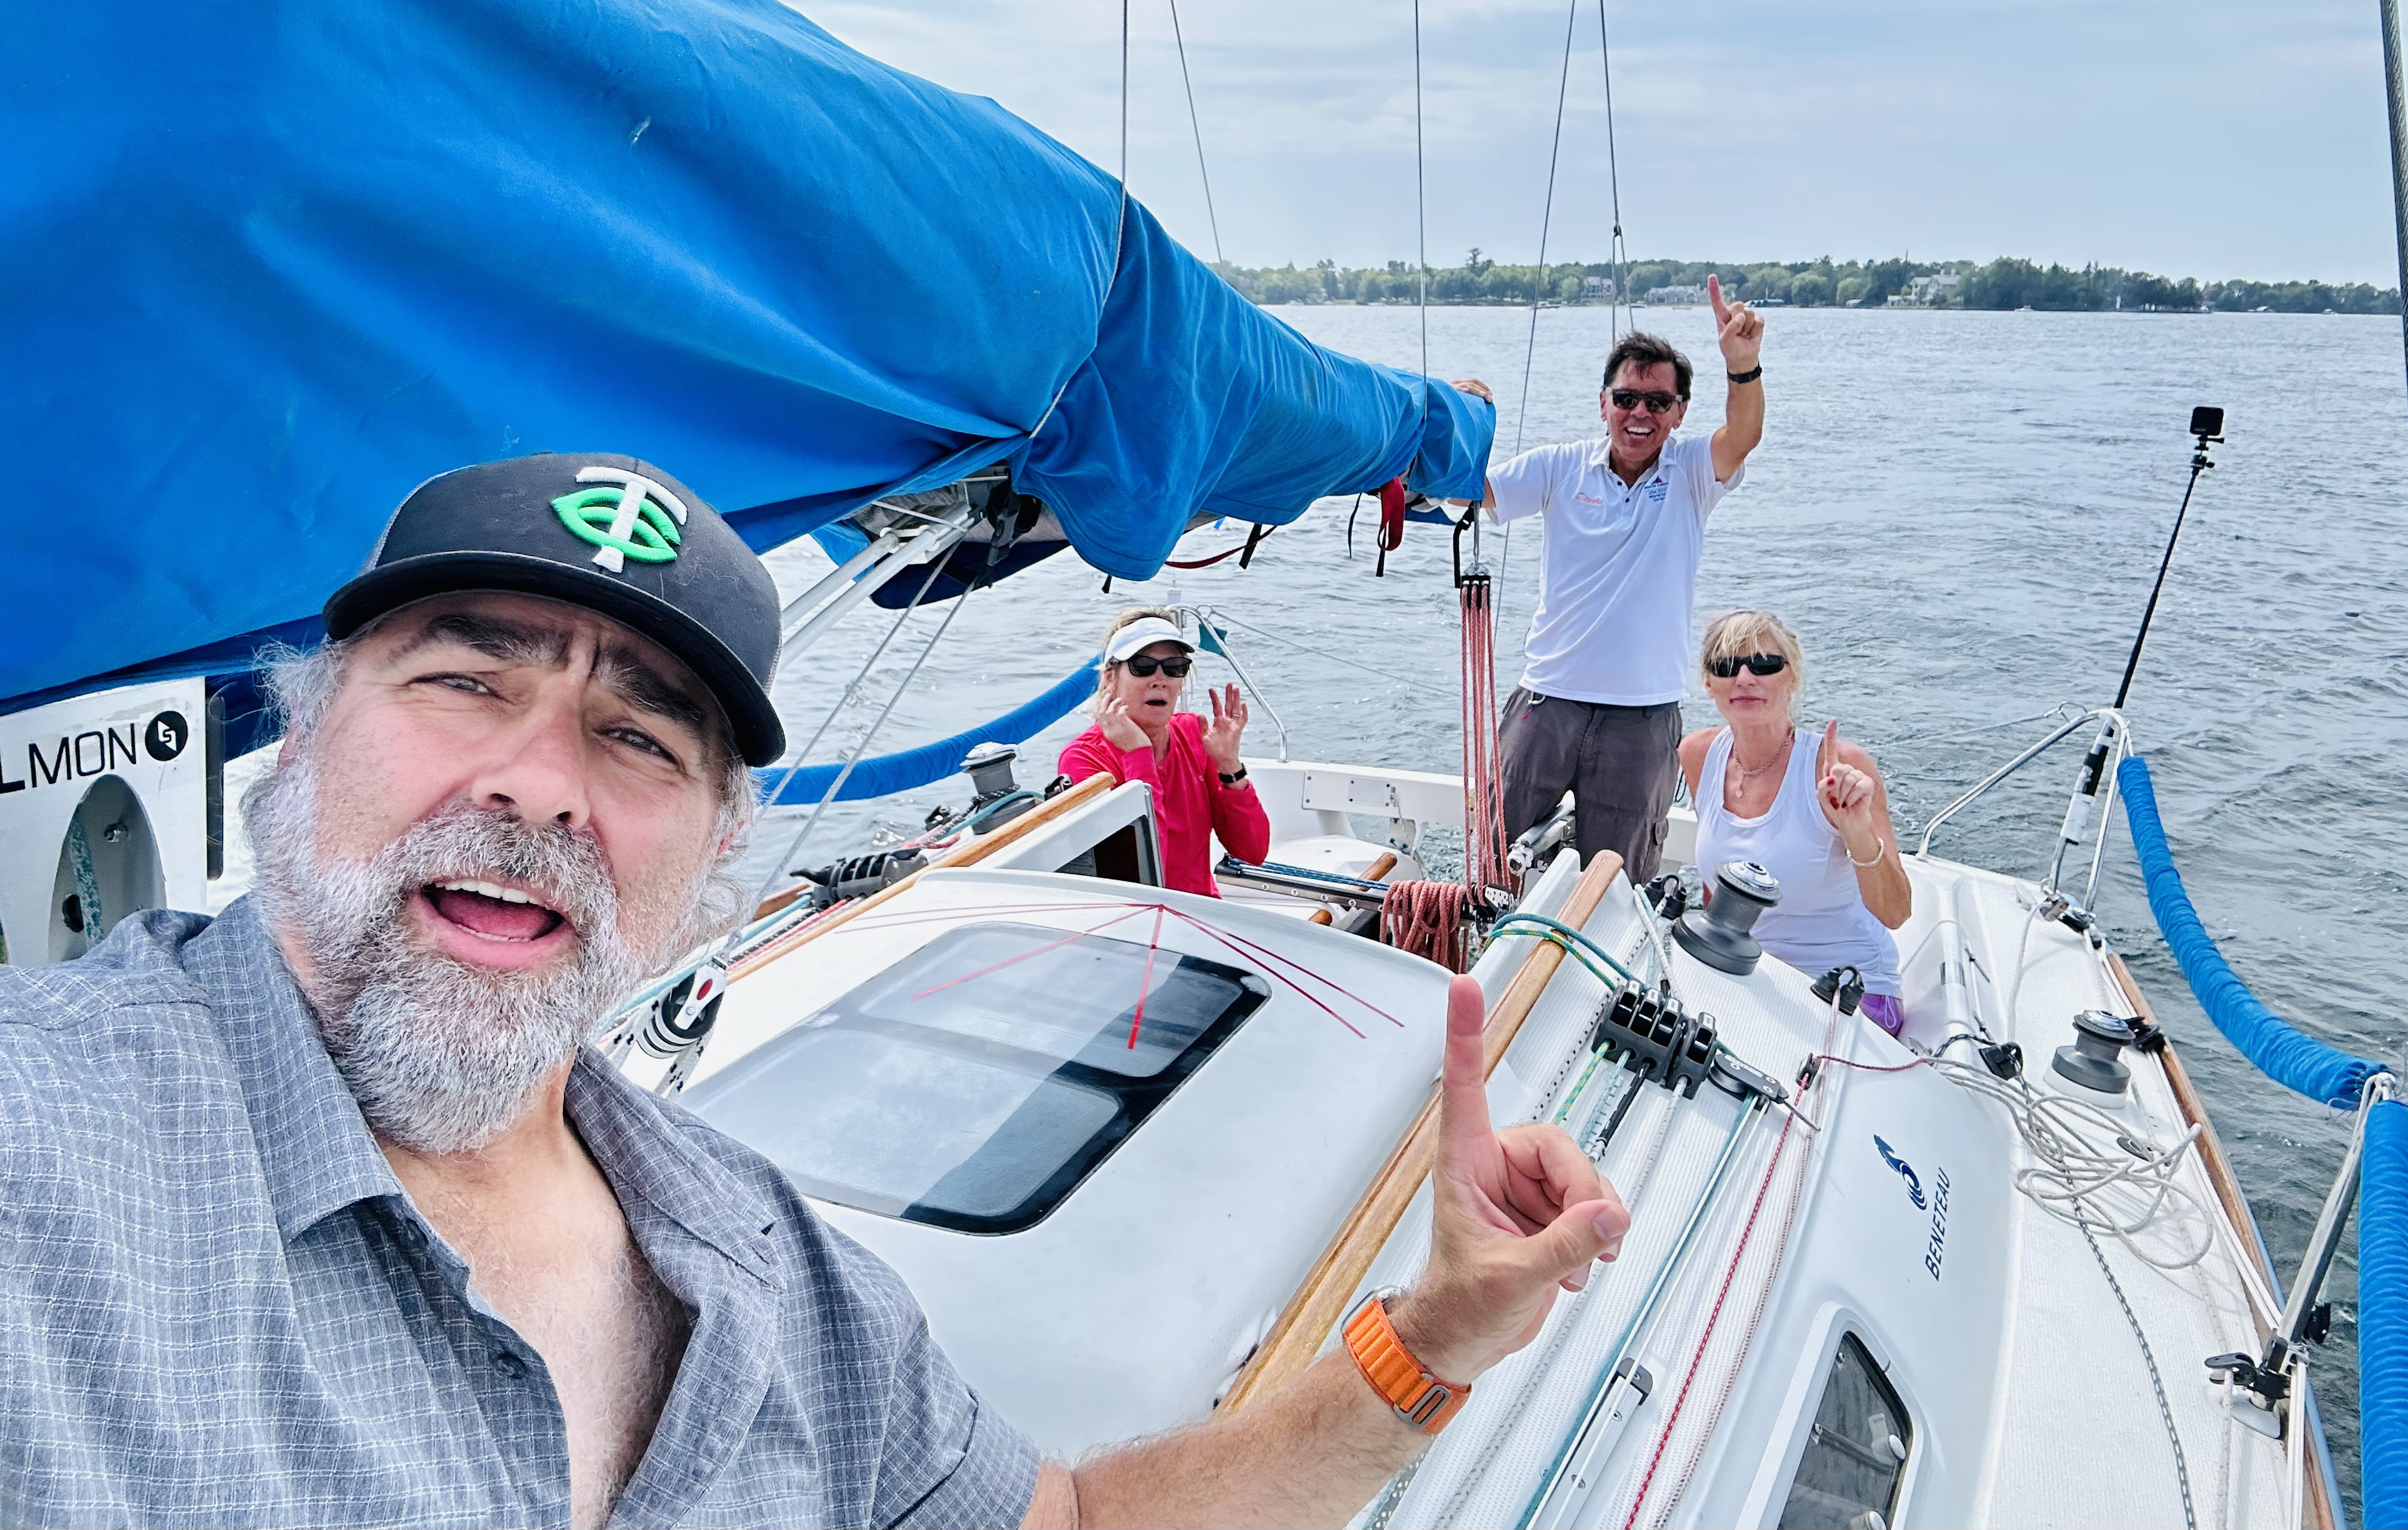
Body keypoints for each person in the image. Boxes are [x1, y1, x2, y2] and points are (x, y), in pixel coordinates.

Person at [0, 452, 1631, 1530]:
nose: (542, 783)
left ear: (709, 858)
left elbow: (1059, 1524)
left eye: (637, 737)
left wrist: (1432, 1340)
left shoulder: (776, 1275)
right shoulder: (48, 1149)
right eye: (463, 680)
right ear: (298, 736)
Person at [1463, 275, 1766, 884]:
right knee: (1489, 867)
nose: (1639, 413)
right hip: (1546, 704)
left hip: (1642, 718)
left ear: (1679, 413)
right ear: (1603, 403)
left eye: (1658, 402)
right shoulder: (1558, 466)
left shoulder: (1692, 472)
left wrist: (1743, 366)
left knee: (1618, 884)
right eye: (1627, 398)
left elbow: (1743, 436)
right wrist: (1458, 416)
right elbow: (1472, 488)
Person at [1679, 609, 1913, 1035]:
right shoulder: (1699, 754)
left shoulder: (1838, 765)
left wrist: (1856, 828)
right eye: (1728, 666)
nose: (1746, 678)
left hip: (1847, 990)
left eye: (1765, 664)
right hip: (1755, 978)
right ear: (1709, 683)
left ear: (1793, 678)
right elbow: (1718, 888)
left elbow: (1896, 911)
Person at [1057, 607, 1272, 897]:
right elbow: (1140, 877)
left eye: (1174, 668)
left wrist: (1229, 765)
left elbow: (1252, 852)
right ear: (1111, 678)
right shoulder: (1084, 759)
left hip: (1200, 912)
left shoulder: (1194, 733)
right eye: (1143, 666)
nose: (1160, 679)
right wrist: (1139, 756)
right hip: (1134, 919)